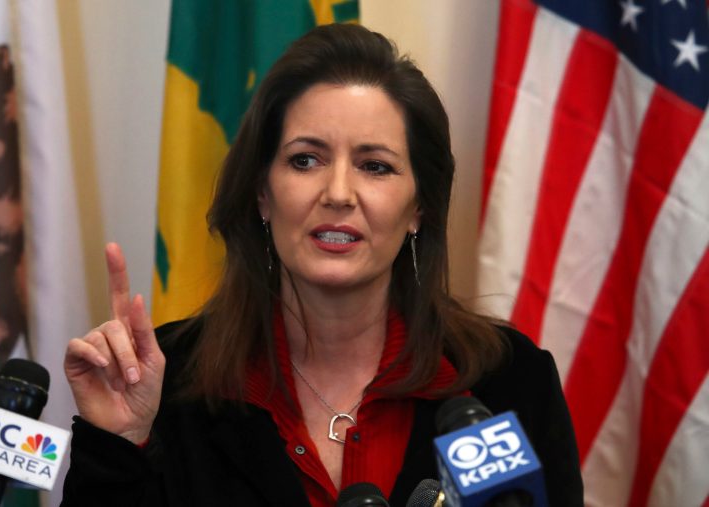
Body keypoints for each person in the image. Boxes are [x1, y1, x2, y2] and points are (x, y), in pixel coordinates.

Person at [61, 24, 583, 506]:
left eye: (374, 166)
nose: (337, 193)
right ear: (263, 193)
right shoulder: (168, 384)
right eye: (305, 160)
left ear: (418, 209)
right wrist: (121, 443)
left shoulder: (509, 383)